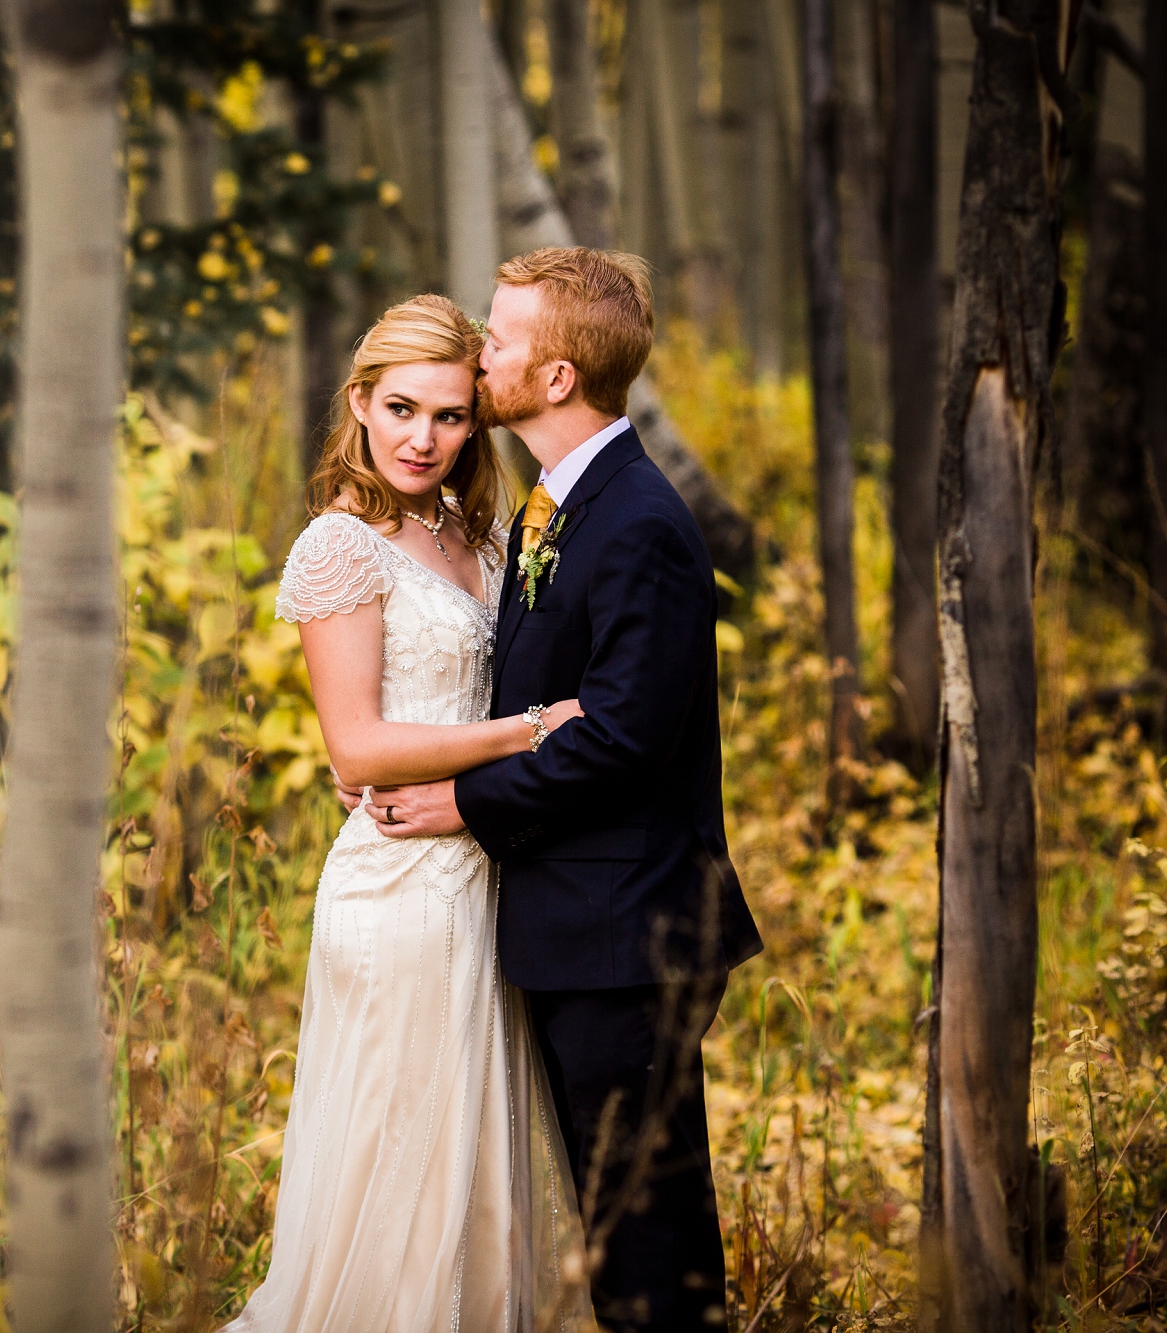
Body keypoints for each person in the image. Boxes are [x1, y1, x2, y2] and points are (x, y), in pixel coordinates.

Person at [359, 248, 764, 1332]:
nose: (477, 354)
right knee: (616, 1222)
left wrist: (463, 802)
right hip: (579, 926)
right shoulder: (556, 507)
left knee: (650, 1241)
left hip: (630, 937)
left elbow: (624, 737)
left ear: (552, 379)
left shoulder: (636, 524)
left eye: (497, 339)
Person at [224, 294, 591, 1333]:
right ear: (357, 403)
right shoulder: (338, 547)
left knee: (476, 1180)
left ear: (477, 420)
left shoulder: (473, 533)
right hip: (396, 892)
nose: (420, 438)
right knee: (399, 1167)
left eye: (448, 415)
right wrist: (528, 729)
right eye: (398, 409)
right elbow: (359, 747)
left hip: (483, 876)